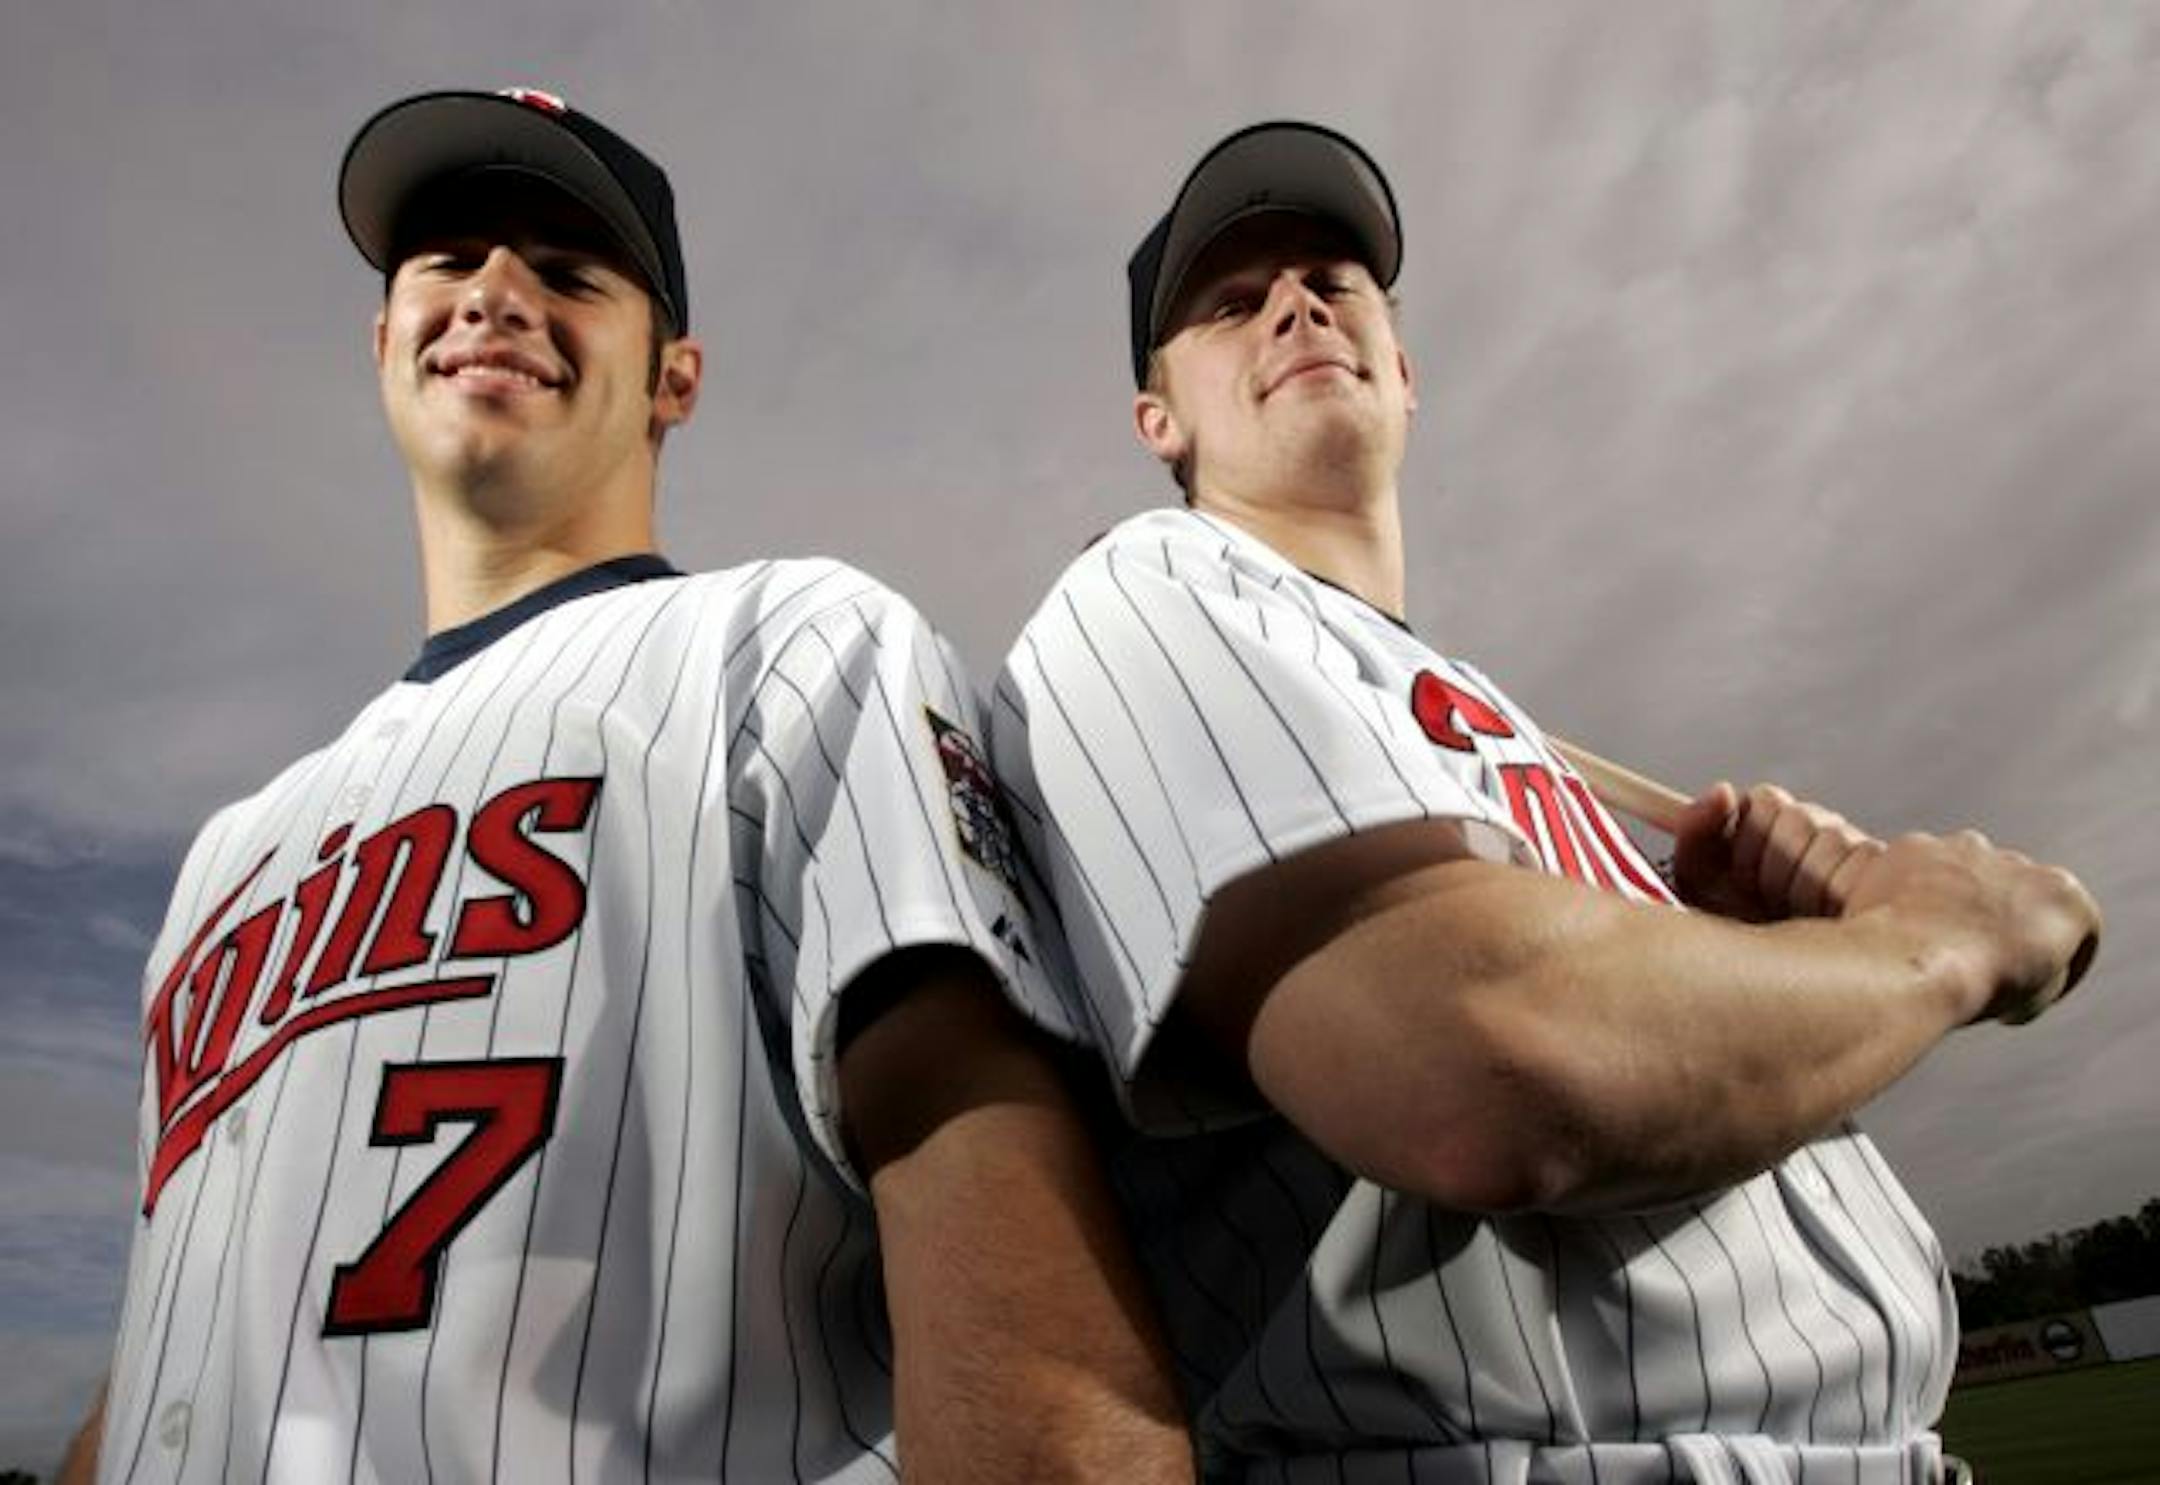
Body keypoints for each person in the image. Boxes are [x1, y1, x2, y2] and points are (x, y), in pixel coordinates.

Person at [60, 87, 1190, 1484]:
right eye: (448, 260)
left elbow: (1034, 1327)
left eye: (569, 272)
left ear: (675, 377)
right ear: (382, 342)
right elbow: (176, 1322)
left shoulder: (788, 647)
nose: (495, 293)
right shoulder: (224, 858)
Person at [990, 120, 2102, 1485]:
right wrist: (1943, 942)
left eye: (1336, 282)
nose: (1296, 302)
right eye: (1232, 304)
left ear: (1403, 370)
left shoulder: (1445, 701)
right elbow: (1486, 1061)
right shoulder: (1153, 593)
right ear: (1157, 419)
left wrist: (1737, 956)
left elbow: (1603, 1034)